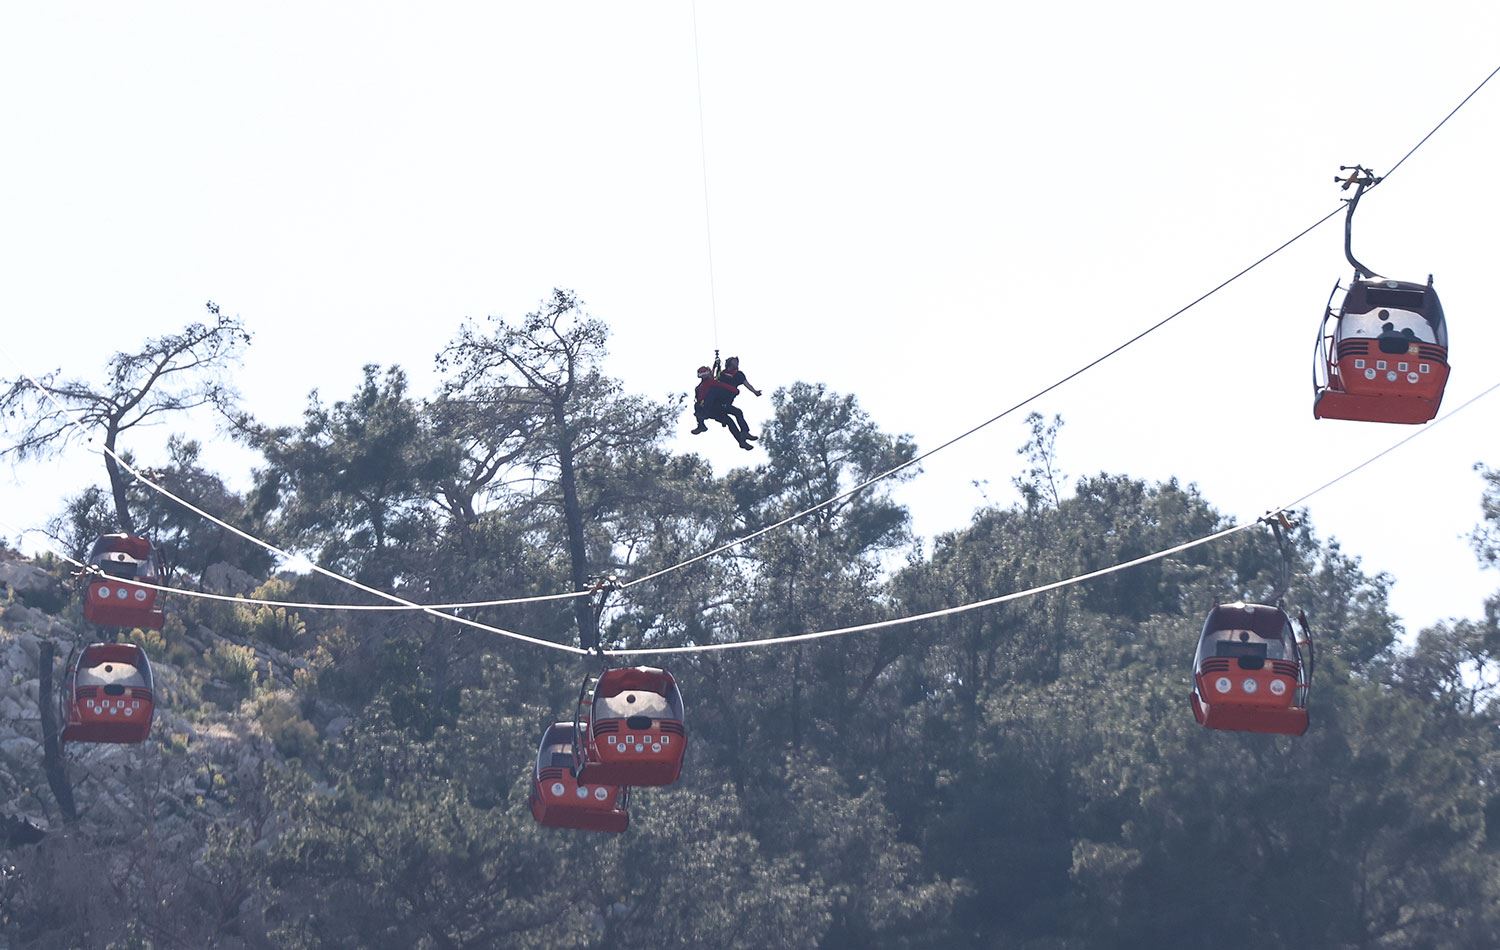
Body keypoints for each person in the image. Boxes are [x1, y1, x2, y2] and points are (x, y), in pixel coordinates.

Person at [690, 366, 753, 449]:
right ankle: (744, 435)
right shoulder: (711, 383)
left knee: (729, 421)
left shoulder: (699, 387)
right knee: (737, 413)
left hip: (711, 411)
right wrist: (735, 391)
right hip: (715, 407)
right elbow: (725, 386)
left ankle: (742, 440)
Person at [715, 356, 761, 441]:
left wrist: (754, 391)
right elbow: (714, 381)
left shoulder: (738, 375)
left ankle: (744, 434)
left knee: (737, 413)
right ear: (729, 363)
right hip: (718, 401)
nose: (737, 363)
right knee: (734, 414)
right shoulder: (722, 373)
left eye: (737, 361)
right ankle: (743, 434)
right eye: (734, 361)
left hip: (727, 401)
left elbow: (747, 384)